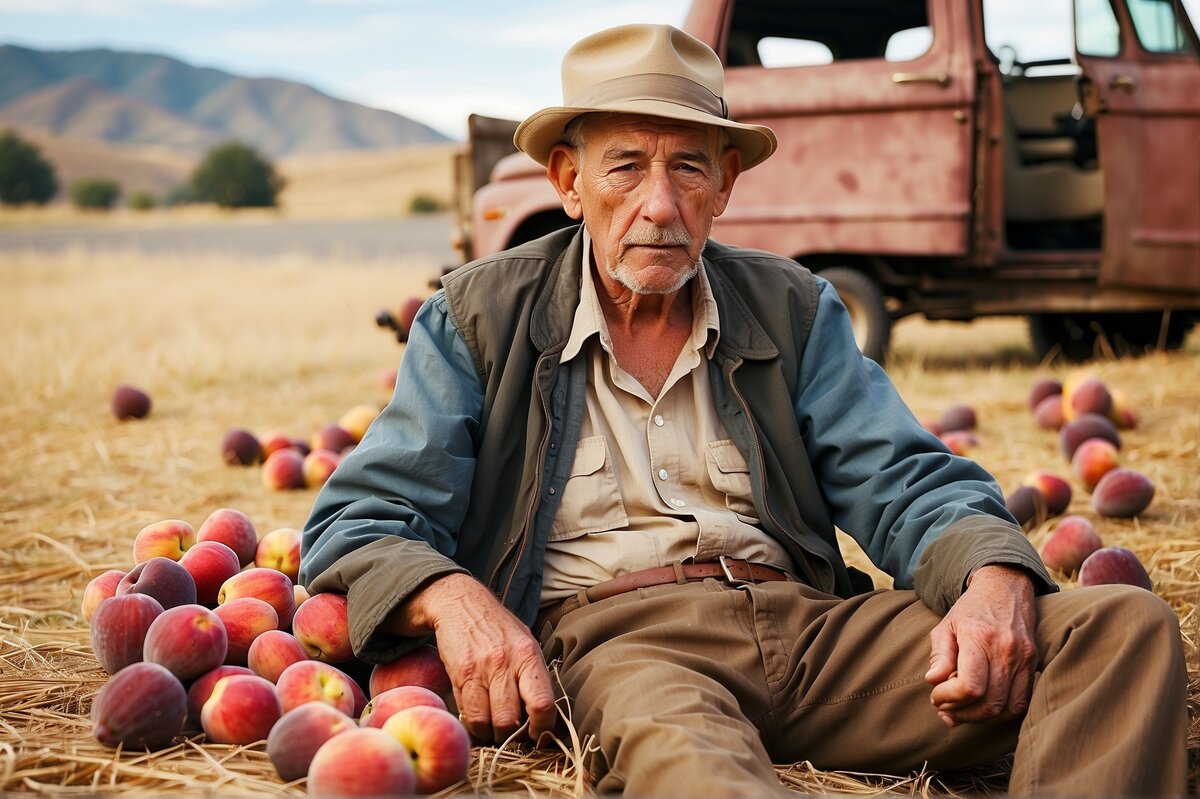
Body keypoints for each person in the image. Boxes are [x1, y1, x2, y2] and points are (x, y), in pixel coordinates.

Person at [300, 23, 1187, 797]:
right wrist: (455, 598)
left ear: (724, 187)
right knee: (697, 771)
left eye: (688, 167)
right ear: (569, 182)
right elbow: (359, 519)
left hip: (811, 633)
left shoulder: (791, 306)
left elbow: (903, 477)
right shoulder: (480, 316)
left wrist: (990, 578)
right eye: (626, 167)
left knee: (1121, 630)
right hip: (623, 646)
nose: (660, 203)